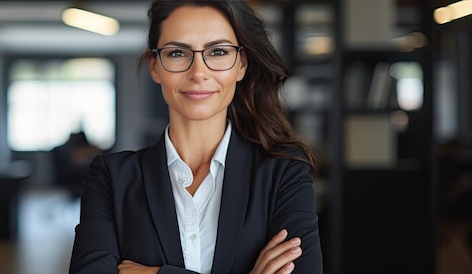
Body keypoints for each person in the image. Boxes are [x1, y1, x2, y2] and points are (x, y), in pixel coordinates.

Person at [70, 1, 323, 273]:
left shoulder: (283, 171)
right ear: (155, 66)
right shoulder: (111, 178)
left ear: (241, 65)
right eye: (178, 53)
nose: (198, 73)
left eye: (217, 52)